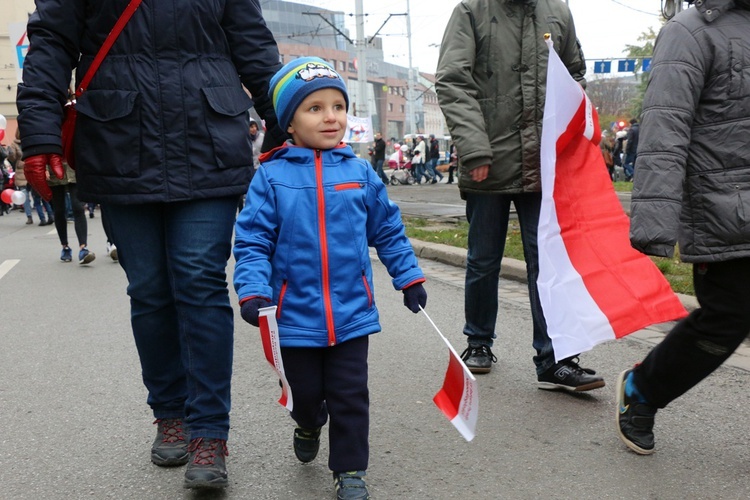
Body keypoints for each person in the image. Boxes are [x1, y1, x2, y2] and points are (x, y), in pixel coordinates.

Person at [17, 0, 285, 489]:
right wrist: (38, 135)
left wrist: (287, 125)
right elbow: (51, 42)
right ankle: (170, 413)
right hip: (119, 138)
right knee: (149, 289)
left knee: (200, 280)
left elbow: (253, 45)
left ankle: (209, 432)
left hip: (207, 137)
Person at [233, 56, 427, 500]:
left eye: (337, 106)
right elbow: (252, 242)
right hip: (294, 315)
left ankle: (351, 470)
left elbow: (388, 231)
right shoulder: (271, 177)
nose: (330, 117)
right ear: (290, 122)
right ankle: (307, 422)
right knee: (305, 395)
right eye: (315, 108)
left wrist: (408, 277)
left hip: (351, 314)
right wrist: (254, 289)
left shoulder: (360, 173)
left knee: (350, 396)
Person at [435, 0, 604, 391]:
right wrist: (474, 147)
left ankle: (555, 360)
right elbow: (452, 80)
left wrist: (571, 125)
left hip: (544, 162)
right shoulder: (470, 11)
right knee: (483, 259)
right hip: (488, 159)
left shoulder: (557, 11)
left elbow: (574, 72)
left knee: (548, 264)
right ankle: (478, 341)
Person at [617, 0, 750, 456]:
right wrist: (656, 221)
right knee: (726, 319)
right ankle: (642, 389)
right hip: (725, 208)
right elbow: (664, 127)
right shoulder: (691, 31)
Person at [48, 162, 95, 264]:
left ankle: (83, 248)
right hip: (54, 170)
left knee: (78, 207)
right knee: (59, 210)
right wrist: (44, 168)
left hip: (73, 169)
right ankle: (65, 247)